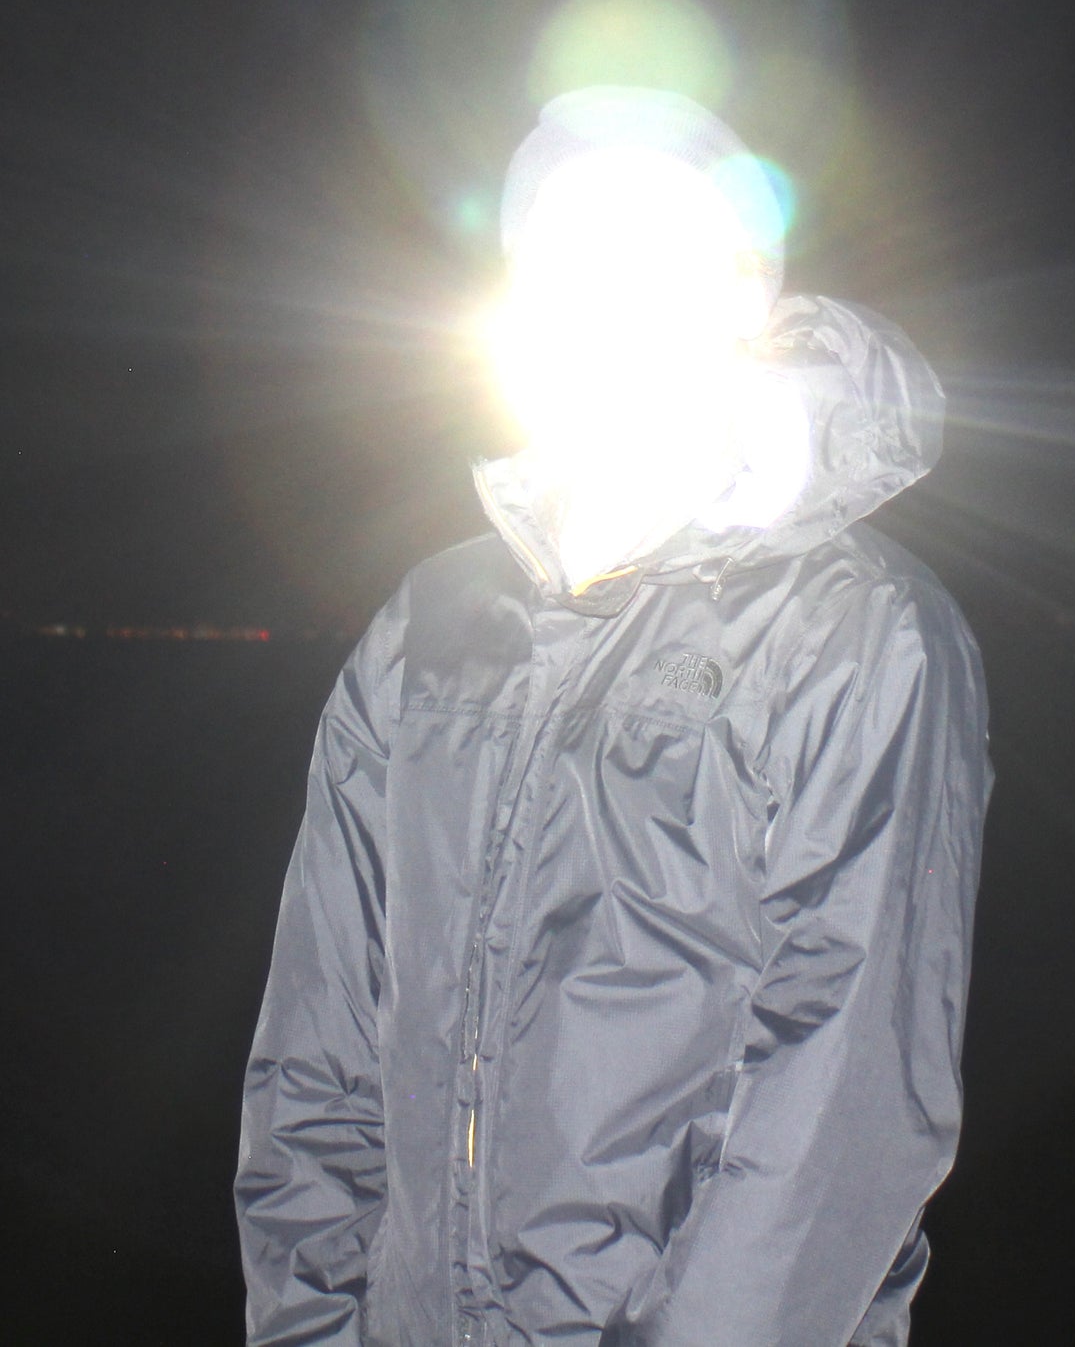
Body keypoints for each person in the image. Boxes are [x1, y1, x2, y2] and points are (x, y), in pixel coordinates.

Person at [237, 87, 993, 1346]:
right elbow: (318, 1051)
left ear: (744, 296)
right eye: (563, 256)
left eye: (650, 250)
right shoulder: (428, 626)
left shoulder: (857, 632)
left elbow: (841, 1115)